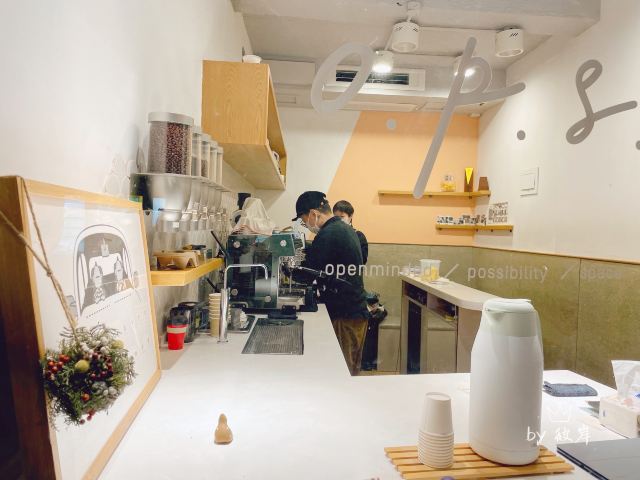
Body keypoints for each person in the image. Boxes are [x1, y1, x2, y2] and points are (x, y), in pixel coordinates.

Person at [292, 191, 369, 375]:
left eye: (303, 220)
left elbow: (307, 273)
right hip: (353, 312)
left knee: (342, 372)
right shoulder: (341, 228)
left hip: (346, 315)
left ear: (313, 214)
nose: (305, 224)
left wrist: (289, 270)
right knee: (349, 369)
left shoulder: (329, 234)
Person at [332, 200, 368, 264]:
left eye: (342, 217)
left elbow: (362, 260)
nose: (338, 220)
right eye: (336, 217)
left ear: (350, 216)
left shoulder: (359, 236)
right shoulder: (330, 234)